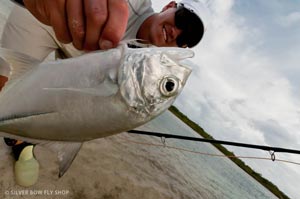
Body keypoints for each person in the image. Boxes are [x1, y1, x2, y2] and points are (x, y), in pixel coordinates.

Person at [0, 0, 210, 186]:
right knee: (4, 84)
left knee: (64, 112)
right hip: (42, 21)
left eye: (186, 39)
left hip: (77, 68)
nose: (177, 33)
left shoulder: (145, 72)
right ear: (169, 6)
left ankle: (20, 143)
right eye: (183, 21)